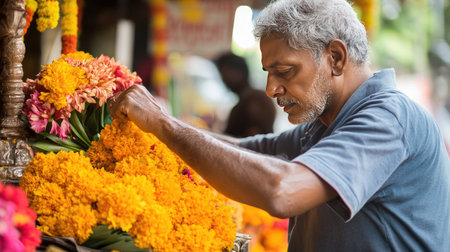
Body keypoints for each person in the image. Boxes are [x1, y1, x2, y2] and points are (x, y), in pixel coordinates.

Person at [109, 0, 450, 250]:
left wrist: (165, 125)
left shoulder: (390, 117)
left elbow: (282, 191)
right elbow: (241, 152)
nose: (271, 89)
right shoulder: (323, 125)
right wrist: (153, 127)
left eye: (284, 72)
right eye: (268, 73)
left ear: (335, 58)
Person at [215, 52, 276, 137]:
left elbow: (254, 138)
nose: (224, 80)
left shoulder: (256, 100)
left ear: (239, 72)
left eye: (225, 73)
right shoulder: (248, 99)